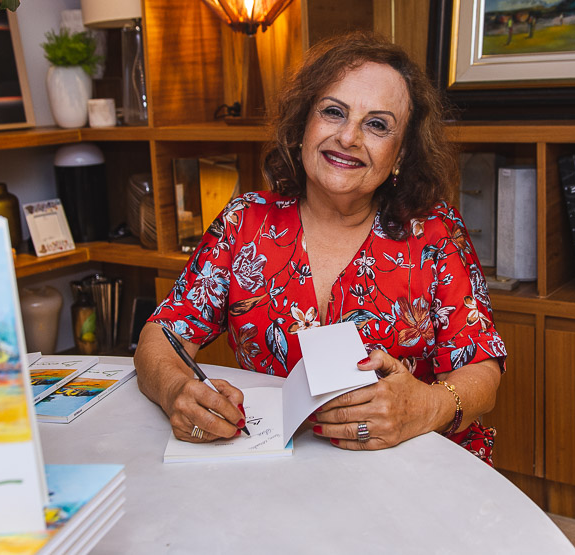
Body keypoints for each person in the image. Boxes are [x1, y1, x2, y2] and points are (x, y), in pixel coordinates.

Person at [134, 31, 507, 465]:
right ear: (302, 126)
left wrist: (424, 407)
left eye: (377, 125)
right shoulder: (244, 222)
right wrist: (177, 390)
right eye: (333, 112)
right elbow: (161, 336)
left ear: (401, 153)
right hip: (279, 468)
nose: (348, 137)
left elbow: (482, 369)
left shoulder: (436, 233)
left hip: (409, 465)